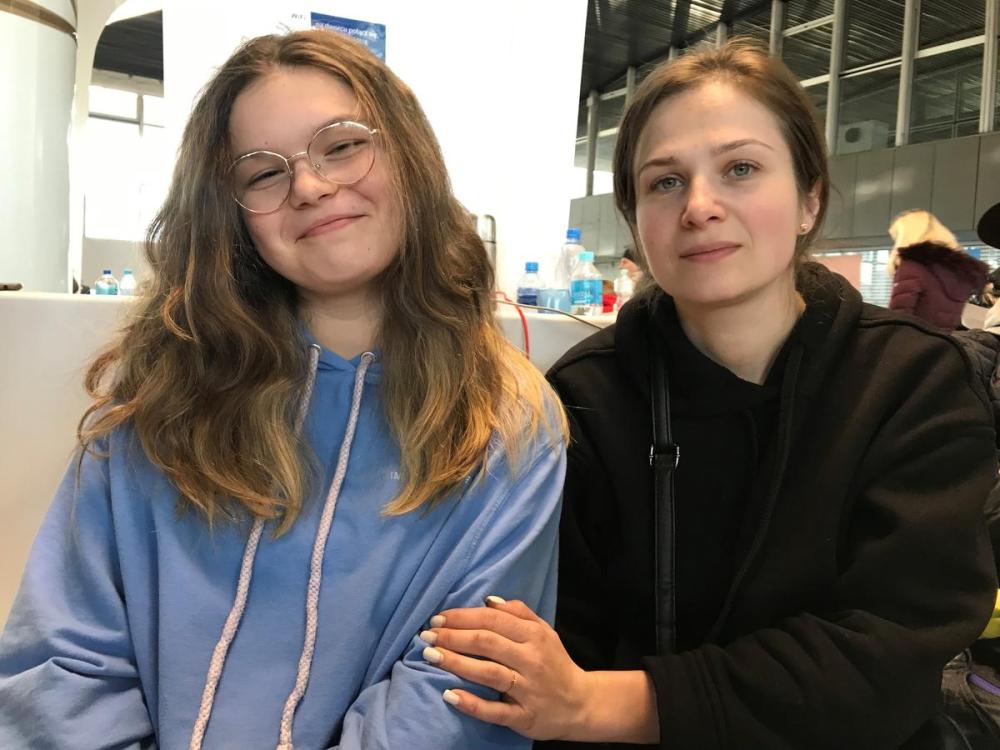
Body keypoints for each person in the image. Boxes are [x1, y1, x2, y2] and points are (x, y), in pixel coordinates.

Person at [411, 39, 998, 749]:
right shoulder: (589, 398)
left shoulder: (912, 382)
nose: (699, 206)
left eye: (741, 168)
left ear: (810, 197)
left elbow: (888, 658)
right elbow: (560, 639)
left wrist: (600, 703)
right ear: (636, 221)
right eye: (664, 182)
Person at [0, 29, 566, 750]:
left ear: (407, 155)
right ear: (232, 214)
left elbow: (456, 691)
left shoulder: (505, 423)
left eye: (341, 144)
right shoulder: (166, 396)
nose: (308, 185)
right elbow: (63, 658)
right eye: (263, 173)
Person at [887, 208, 988, 329]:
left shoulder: (913, 265)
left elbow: (899, 316)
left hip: (913, 341)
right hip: (943, 341)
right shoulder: (959, 272)